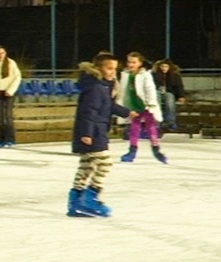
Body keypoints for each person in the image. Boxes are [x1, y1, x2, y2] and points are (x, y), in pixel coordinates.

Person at [69, 52, 130, 217]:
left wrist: (128, 113)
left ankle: (75, 201)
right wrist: (87, 134)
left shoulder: (101, 85)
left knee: (86, 166)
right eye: (109, 68)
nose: (112, 72)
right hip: (93, 132)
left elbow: (108, 106)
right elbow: (88, 111)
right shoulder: (96, 87)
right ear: (98, 68)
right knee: (105, 163)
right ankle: (90, 198)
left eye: (115, 69)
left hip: (94, 130)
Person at [114, 51, 166, 164]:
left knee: (151, 128)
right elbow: (122, 90)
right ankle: (132, 151)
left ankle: (156, 149)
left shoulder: (145, 75)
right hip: (133, 107)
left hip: (146, 106)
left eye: (134, 62)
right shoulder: (125, 74)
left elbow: (150, 89)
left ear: (140, 63)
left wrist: (151, 104)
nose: (130, 64)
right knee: (134, 129)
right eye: (129, 62)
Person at [152, 58, 185, 132]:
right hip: (157, 92)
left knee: (169, 100)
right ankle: (157, 122)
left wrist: (181, 96)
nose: (164, 68)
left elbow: (179, 86)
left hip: (169, 92)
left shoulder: (175, 76)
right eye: (162, 66)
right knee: (156, 102)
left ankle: (170, 122)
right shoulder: (154, 75)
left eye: (166, 67)